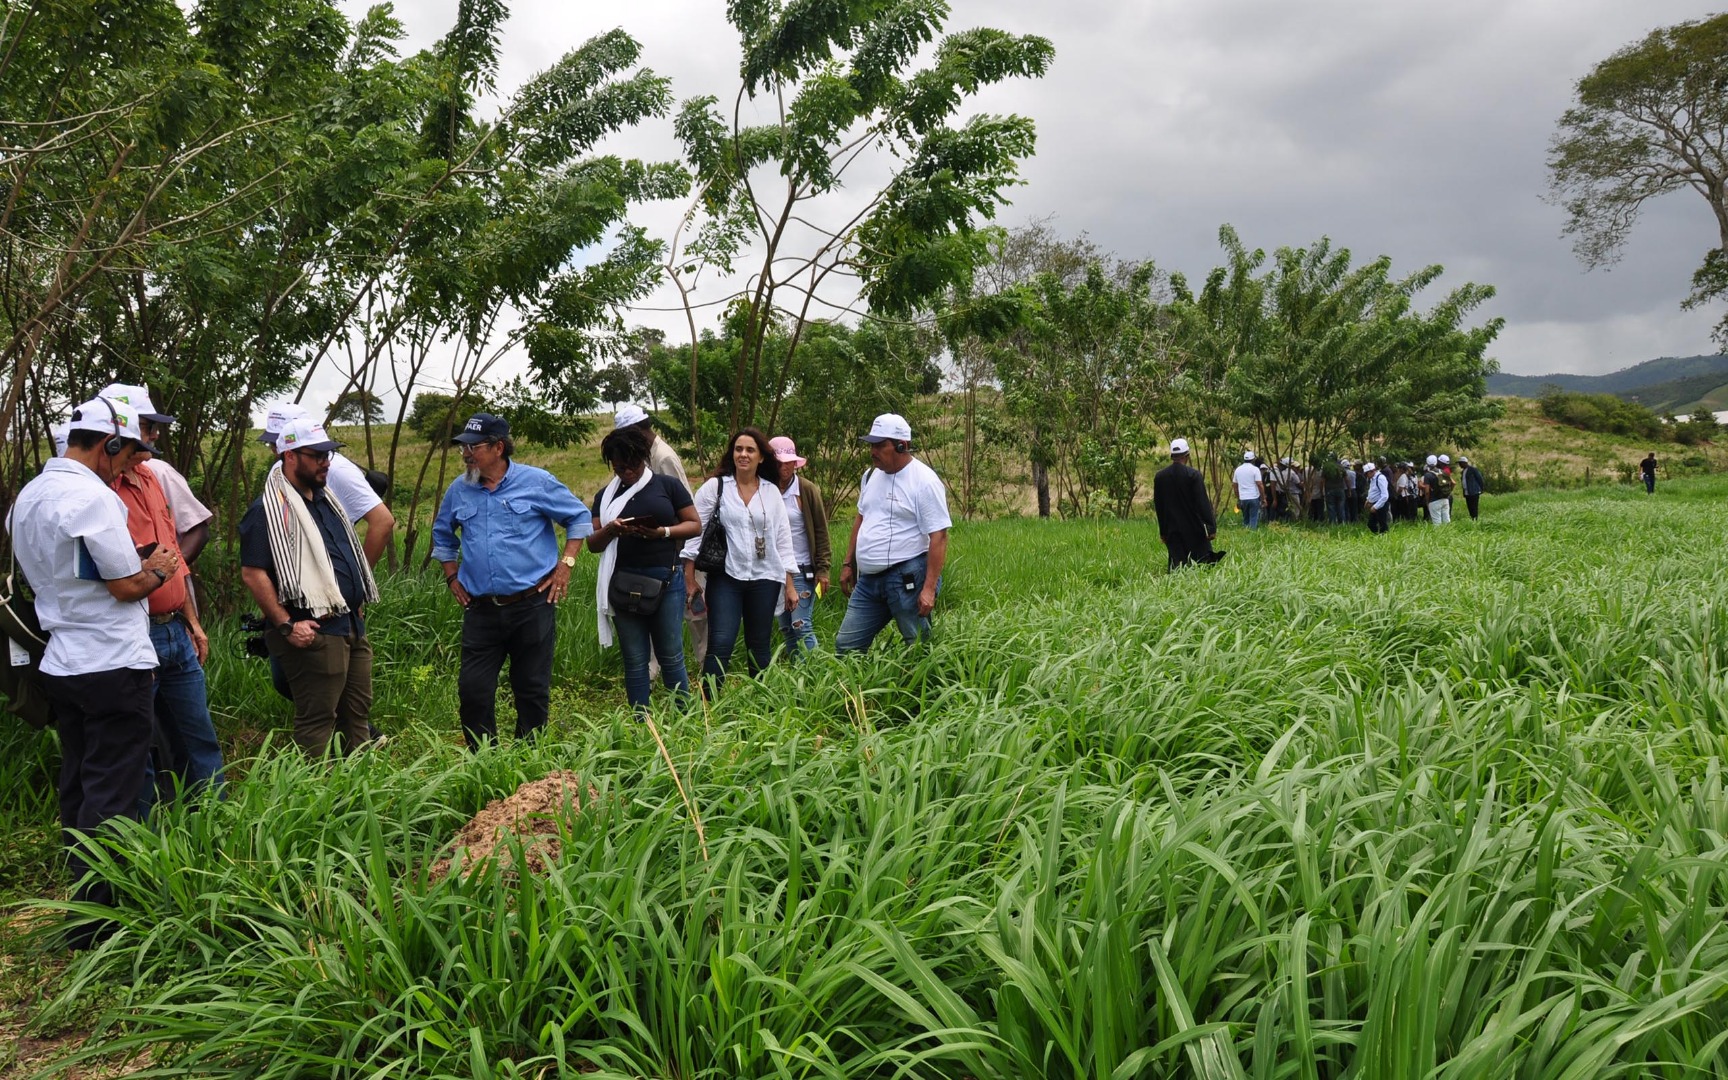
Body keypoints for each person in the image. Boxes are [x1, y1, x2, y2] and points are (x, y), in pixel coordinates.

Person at [9, 396, 179, 948]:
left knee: (79, 782)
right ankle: (98, 924)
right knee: (113, 790)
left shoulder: (29, 497)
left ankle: (82, 900)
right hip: (112, 659)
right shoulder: (95, 498)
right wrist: (156, 568)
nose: (131, 465)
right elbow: (124, 585)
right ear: (108, 444)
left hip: (62, 659)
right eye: (129, 453)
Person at [432, 414, 592, 749]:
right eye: (464, 447)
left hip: (532, 604)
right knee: (473, 690)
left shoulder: (537, 482)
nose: (466, 454)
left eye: (474, 447)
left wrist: (566, 565)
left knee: (531, 687)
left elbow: (578, 517)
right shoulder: (459, 490)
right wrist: (451, 575)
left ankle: (528, 762)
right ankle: (484, 762)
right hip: (481, 609)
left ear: (498, 447)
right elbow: (443, 536)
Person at [105, 386, 223, 804]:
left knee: (198, 734)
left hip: (175, 630)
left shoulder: (154, 477)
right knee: (140, 743)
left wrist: (192, 621)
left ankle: (217, 818)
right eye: (147, 427)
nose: (153, 437)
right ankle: (151, 840)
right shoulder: (100, 489)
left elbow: (173, 554)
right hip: (135, 632)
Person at [239, 417, 381, 756]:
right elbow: (253, 573)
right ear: (289, 456)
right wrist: (286, 624)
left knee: (357, 714)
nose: (325, 462)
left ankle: (357, 793)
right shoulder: (268, 511)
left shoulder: (325, 501)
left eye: (327, 454)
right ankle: (317, 800)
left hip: (349, 625)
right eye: (316, 455)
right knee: (318, 718)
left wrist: (354, 595)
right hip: (312, 631)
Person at [588, 425, 700, 714]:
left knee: (671, 654)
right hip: (623, 584)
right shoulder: (605, 496)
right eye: (620, 467)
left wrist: (662, 532)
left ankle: (683, 716)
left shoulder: (667, 486)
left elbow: (694, 524)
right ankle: (642, 721)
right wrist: (612, 530)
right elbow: (593, 543)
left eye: (633, 465)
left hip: (666, 580)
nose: (627, 473)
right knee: (635, 658)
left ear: (644, 458)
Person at [681, 428, 798, 687]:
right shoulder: (716, 487)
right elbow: (694, 533)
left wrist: (789, 585)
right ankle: (709, 705)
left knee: (759, 645)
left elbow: (783, 539)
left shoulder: (771, 492)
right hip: (726, 577)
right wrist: (689, 578)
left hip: (765, 577)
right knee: (721, 641)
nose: (743, 454)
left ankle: (761, 704)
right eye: (738, 449)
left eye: (750, 450)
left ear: (762, 458)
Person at [835, 414, 951, 653]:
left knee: (917, 646)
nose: (872, 451)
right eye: (871, 445)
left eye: (880, 445)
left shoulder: (924, 481)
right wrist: (848, 563)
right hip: (868, 581)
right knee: (846, 646)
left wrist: (928, 589)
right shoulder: (870, 476)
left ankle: (926, 688)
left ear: (902, 445)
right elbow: (861, 518)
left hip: (906, 577)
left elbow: (938, 536)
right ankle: (856, 690)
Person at [614, 403, 706, 673]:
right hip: (654, 545)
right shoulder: (641, 456)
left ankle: (706, 666)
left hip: (676, 546)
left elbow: (681, 505)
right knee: (651, 603)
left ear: (637, 431)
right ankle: (654, 669)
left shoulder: (662, 457)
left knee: (693, 607)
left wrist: (681, 551)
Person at [258, 402, 394, 567]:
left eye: (281, 441)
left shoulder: (337, 469)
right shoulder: (280, 468)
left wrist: (362, 578)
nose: (276, 449)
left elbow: (382, 521)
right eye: (273, 444)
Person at [99, 383, 214, 564]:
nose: (155, 435)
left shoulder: (155, 473)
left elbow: (193, 532)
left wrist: (170, 575)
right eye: (148, 427)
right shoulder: (94, 487)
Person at [770, 436, 832, 657]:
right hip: (775, 569)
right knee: (786, 626)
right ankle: (798, 674)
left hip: (802, 567)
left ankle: (817, 672)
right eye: (778, 461)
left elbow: (821, 531)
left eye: (787, 461)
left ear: (795, 463)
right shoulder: (766, 489)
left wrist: (823, 570)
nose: (783, 466)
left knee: (800, 623)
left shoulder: (806, 490)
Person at [1153, 438, 1224, 570]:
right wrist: (1210, 528)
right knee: (1204, 564)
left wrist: (1163, 531)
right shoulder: (1193, 475)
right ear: (1187, 456)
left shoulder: (1160, 477)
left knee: (1177, 567)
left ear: (1171, 456)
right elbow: (1202, 503)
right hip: (1194, 528)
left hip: (1172, 529)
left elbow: (1159, 507)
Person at [1232, 451, 1265, 529]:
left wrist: (1238, 497)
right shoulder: (1255, 469)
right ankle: (1252, 534)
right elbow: (1259, 484)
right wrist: (1263, 498)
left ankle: (1246, 533)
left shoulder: (1238, 470)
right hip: (1253, 497)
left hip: (1243, 498)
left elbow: (1234, 485)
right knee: (1253, 517)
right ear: (1253, 460)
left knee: (1245, 518)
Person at [1420, 454, 1452, 525]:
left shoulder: (1427, 475)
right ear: (1436, 462)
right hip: (1445, 499)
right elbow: (1452, 483)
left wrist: (1427, 502)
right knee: (1446, 521)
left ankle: (1439, 536)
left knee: (1437, 524)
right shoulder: (1443, 472)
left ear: (1427, 464)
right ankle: (1449, 535)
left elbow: (1427, 491)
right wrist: (1448, 493)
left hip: (1434, 501)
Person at [1364, 461, 1391, 534]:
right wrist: (1368, 500)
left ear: (1372, 471)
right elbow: (1372, 490)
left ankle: (1384, 539)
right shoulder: (1373, 479)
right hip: (1374, 504)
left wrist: (1376, 507)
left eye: (1367, 473)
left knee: (1383, 524)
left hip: (1381, 504)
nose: (1366, 475)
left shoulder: (1380, 478)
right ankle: (1376, 536)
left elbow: (1385, 495)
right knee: (1371, 524)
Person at [1459, 455, 1486, 520]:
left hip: (1474, 491)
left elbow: (1480, 479)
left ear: (1464, 463)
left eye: (1460, 463)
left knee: (1474, 506)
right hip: (1467, 492)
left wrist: (1481, 488)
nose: (1459, 465)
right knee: (1469, 506)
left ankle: (1475, 519)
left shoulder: (1472, 470)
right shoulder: (1463, 471)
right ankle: (1472, 518)